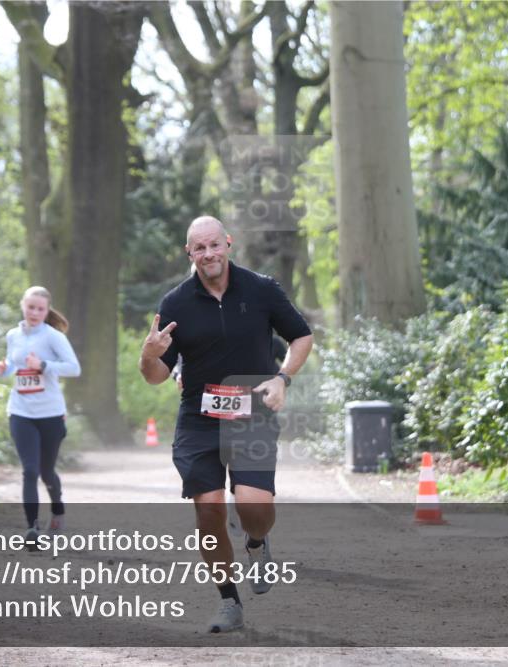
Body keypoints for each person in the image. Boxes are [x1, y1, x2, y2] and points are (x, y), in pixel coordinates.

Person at [140, 216, 314, 633]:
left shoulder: (261, 289)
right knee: (209, 511)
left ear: (228, 243)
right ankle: (228, 601)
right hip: (199, 419)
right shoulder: (176, 304)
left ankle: (256, 542)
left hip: (252, 412)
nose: (208, 254)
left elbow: (302, 336)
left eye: (214, 245)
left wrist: (282, 378)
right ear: (189, 253)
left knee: (254, 508)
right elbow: (156, 376)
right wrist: (149, 354)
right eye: (199, 248)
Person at [0, 286, 81, 544]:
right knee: (29, 470)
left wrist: (43, 365)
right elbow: (14, 365)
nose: (34, 312)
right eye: (30, 307)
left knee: (46, 471)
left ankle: (58, 509)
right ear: (23, 306)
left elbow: (73, 368)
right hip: (20, 411)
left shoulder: (53, 337)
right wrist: (4, 369)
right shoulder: (13, 335)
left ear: (46, 311)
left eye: (40, 309)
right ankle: (31, 529)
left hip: (50, 413)